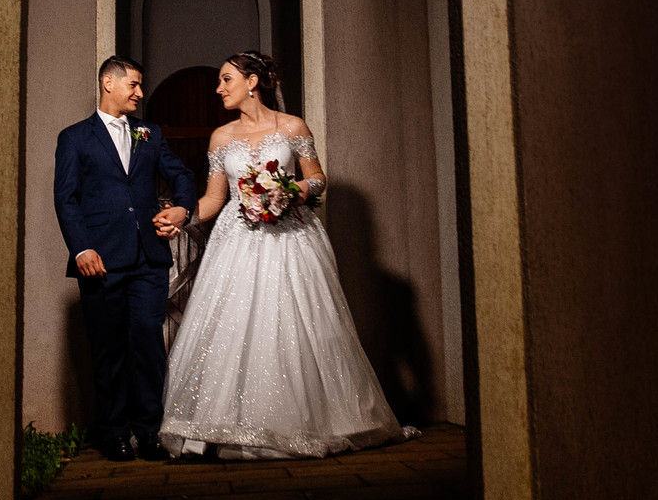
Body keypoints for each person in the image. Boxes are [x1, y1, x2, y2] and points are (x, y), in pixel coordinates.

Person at [156, 52, 406, 460]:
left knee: (295, 322)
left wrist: (294, 190)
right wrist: (182, 217)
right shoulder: (220, 137)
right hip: (237, 242)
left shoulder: (293, 127)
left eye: (225, 80)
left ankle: (306, 422)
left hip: (291, 237)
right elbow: (216, 199)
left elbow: (318, 178)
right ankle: (231, 425)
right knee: (237, 326)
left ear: (252, 81)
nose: (219, 89)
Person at [53, 55, 196, 460]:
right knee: (108, 348)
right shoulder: (75, 137)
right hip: (100, 259)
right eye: (133, 84)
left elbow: (182, 175)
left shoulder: (149, 133)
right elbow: (66, 198)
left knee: (147, 342)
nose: (140, 92)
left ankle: (148, 431)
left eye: (140, 84)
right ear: (107, 84)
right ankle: (113, 433)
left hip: (148, 258)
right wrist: (81, 247)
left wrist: (182, 209)